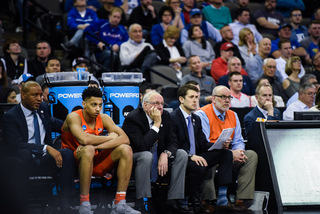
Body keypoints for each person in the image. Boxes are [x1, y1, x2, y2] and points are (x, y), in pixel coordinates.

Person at [61, 87, 140, 214]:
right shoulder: (73, 117)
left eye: (100, 105)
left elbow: (125, 139)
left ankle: (120, 203)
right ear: (84, 104)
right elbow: (84, 140)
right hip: (74, 164)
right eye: (93, 105)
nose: (98, 108)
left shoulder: (104, 118)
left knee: (126, 149)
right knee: (88, 149)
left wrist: (98, 146)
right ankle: (84, 204)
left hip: (95, 160)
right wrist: (108, 138)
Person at [1, 81, 74, 213]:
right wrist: (45, 148)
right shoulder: (11, 117)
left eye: (41, 95)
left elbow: (57, 124)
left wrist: (78, 127)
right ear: (23, 95)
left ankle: (66, 205)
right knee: (24, 154)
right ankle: (22, 204)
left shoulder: (43, 109)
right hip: (25, 162)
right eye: (35, 95)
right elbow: (16, 145)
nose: (40, 99)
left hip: (45, 161)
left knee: (67, 154)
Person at [170, 84, 240, 213]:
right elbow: (172, 145)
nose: (195, 100)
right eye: (191, 97)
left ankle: (222, 198)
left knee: (226, 154)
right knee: (198, 166)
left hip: (197, 154)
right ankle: (183, 201)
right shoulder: (173, 117)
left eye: (197, 97)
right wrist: (191, 156)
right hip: (181, 157)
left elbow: (202, 143)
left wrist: (219, 145)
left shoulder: (195, 118)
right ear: (181, 99)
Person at [122, 91, 188, 213]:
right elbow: (142, 146)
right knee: (146, 155)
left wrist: (166, 153)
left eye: (162, 104)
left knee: (181, 154)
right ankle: (143, 200)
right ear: (145, 105)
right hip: (135, 158)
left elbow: (173, 141)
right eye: (156, 103)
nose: (160, 107)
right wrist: (156, 124)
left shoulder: (166, 116)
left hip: (158, 155)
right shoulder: (133, 118)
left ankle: (173, 200)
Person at [195, 85, 258, 209]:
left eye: (229, 97)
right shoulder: (202, 114)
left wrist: (239, 152)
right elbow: (204, 142)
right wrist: (228, 151)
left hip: (229, 154)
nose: (227, 100)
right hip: (210, 152)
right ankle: (209, 200)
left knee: (251, 155)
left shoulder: (233, 115)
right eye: (223, 97)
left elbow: (238, 140)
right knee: (213, 158)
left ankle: (242, 199)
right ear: (213, 99)